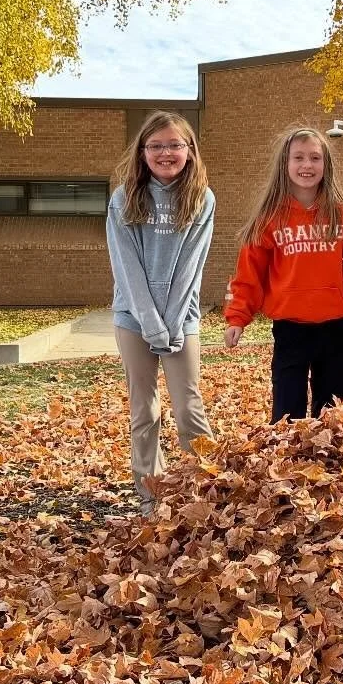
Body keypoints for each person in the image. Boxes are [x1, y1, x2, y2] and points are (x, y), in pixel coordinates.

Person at [223, 126, 343, 421]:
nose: (307, 165)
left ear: (326, 165)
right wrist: (238, 316)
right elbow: (250, 274)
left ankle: (331, 466)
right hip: (290, 328)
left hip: (335, 327)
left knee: (335, 412)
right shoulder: (269, 219)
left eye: (315, 158)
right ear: (285, 165)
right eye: (298, 158)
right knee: (288, 413)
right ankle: (286, 467)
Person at [106, 111, 215, 512]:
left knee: (188, 406)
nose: (165, 153)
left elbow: (190, 266)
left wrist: (170, 325)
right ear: (142, 152)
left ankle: (207, 488)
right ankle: (152, 496)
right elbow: (127, 268)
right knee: (144, 409)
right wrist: (152, 325)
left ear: (189, 150)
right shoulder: (124, 198)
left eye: (174, 144)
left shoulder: (202, 198)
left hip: (181, 320)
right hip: (133, 320)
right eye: (155, 145)